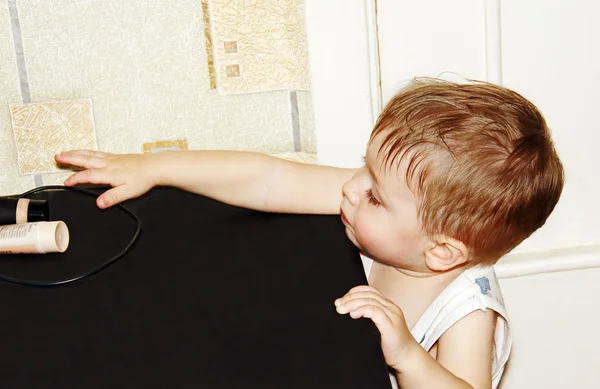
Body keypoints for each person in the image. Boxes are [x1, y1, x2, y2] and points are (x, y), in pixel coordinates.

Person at [55, 78, 564, 389]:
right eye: (364, 170)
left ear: (442, 252)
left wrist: (408, 356)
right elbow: (268, 178)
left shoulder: (468, 312)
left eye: (376, 195)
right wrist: (156, 168)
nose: (352, 188)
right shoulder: (374, 205)